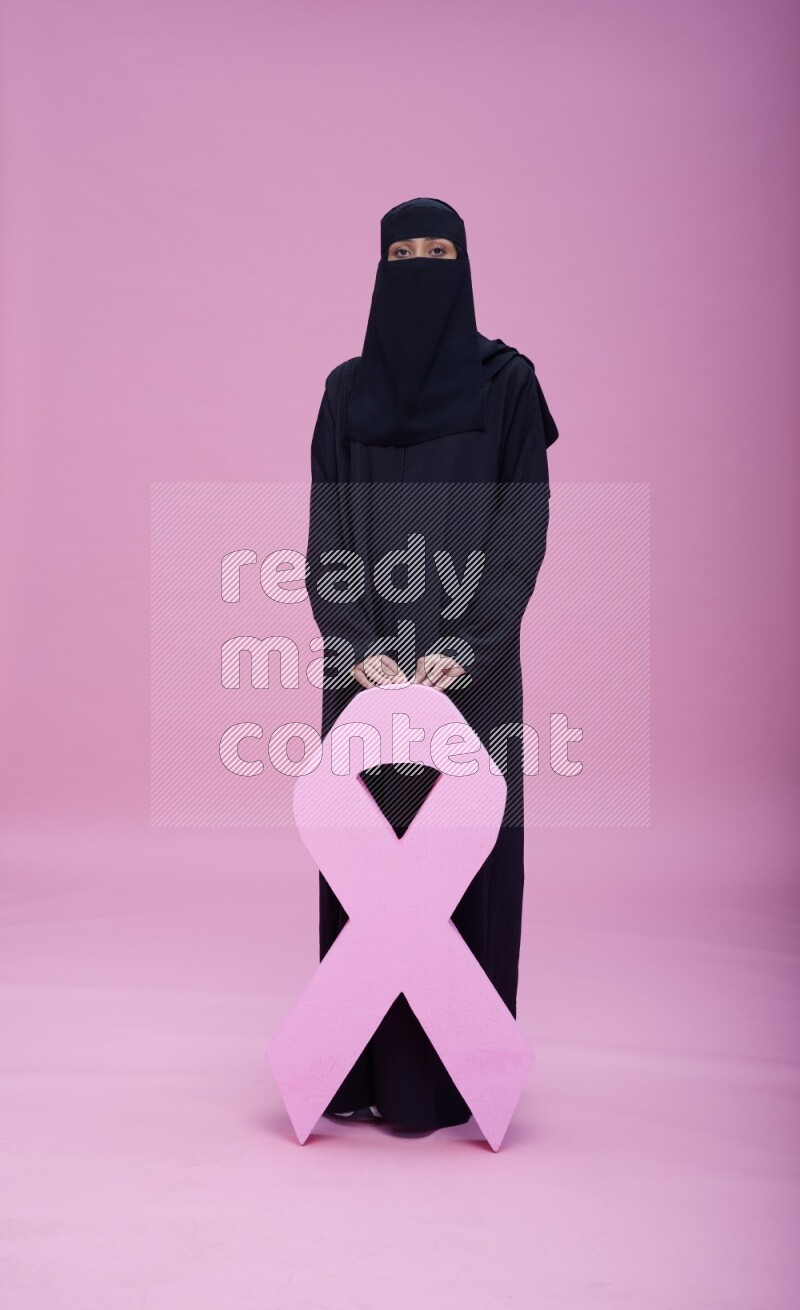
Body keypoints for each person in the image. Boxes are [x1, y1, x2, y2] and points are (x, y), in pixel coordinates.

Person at [305, 197, 560, 1133]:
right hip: (364, 676)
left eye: (436, 250)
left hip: (472, 674)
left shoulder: (509, 387)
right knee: (366, 861)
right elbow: (326, 530)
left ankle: (457, 1079)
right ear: (376, 266)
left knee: (466, 862)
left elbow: (521, 524)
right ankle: (362, 1073)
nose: (418, 266)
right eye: (399, 252)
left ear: (466, 261)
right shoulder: (344, 392)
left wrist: (469, 643)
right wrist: (361, 647)